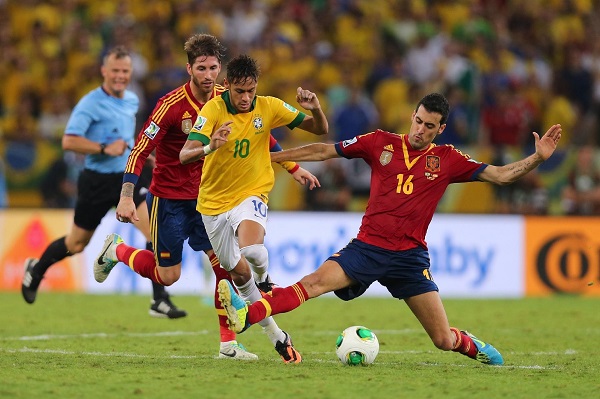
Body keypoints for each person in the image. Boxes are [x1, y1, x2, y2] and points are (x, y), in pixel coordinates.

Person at [218, 93, 563, 366]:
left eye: (429, 126)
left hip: (409, 259)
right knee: (312, 283)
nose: (420, 130)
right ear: (412, 115)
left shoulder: (448, 159)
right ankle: (246, 314)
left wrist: (537, 159)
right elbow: (325, 150)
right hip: (367, 248)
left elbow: (500, 175)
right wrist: (273, 159)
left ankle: (471, 344)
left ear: (440, 129)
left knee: (443, 341)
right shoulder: (380, 142)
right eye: (418, 120)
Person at [93, 36, 318, 361]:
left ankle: (228, 345)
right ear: (189, 68)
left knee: (228, 271)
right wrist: (127, 195)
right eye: (202, 67)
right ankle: (116, 250)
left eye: (213, 67)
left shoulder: (229, 100)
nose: (209, 74)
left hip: (211, 201)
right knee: (168, 275)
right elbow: (141, 148)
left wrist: (293, 166)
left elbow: (260, 134)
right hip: (169, 200)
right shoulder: (171, 106)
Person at [178, 54, 328, 363]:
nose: (246, 98)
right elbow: (185, 155)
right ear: (228, 86)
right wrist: (211, 146)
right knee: (240, 277)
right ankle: (278, 338)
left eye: (251, 90)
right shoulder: (213, 109)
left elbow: (318, 129)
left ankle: (264, 279)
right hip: (212, 204)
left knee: (253, 251)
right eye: (239, 91)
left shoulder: (269, 106)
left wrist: (315, 109)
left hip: (252, 193)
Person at [21, 46, 186, 319]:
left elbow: (127, 137)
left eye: (125, 71)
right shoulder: (90, 103)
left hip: (128, 179)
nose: (120, 76)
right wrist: (102, 148)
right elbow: (69, 140)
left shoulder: (132, 100)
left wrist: (146, 157)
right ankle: (35, 270)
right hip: (97, 181)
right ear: (104, 71)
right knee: (76, 244)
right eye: (116, 71)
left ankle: (159, 300)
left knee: (154, 233)